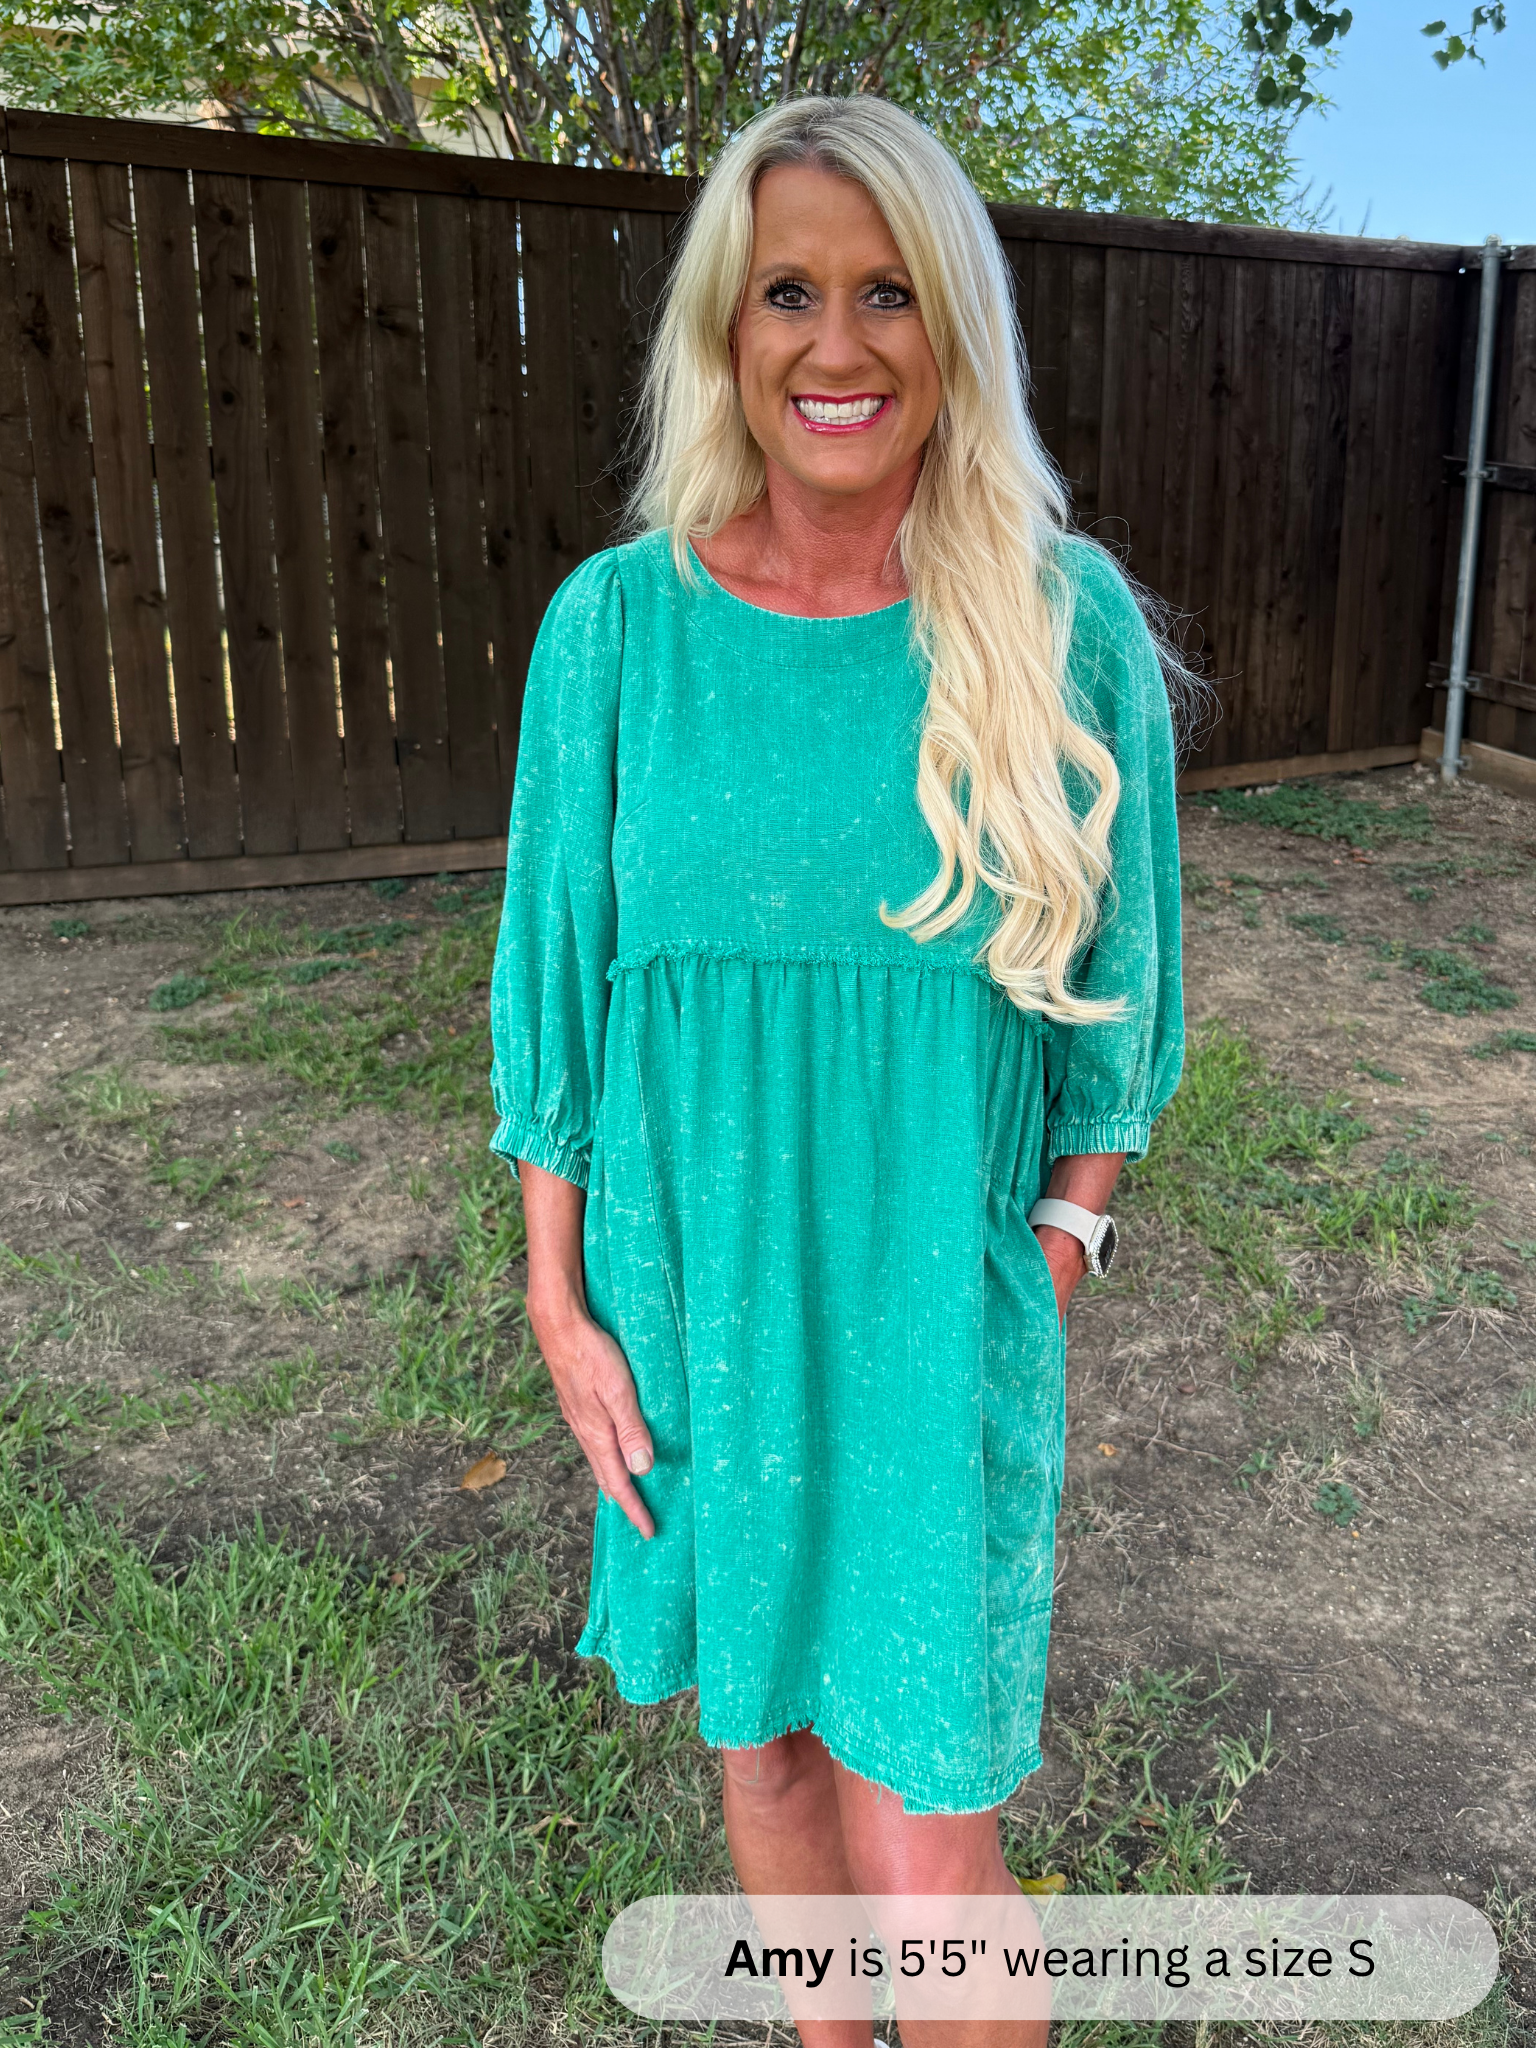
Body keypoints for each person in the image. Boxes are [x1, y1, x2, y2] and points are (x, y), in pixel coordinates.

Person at [488, 93, 1185, 2048]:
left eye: (888, 292)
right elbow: (555, 986)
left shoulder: (1059, 624)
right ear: (728, 325)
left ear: (950, 326)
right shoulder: (614, 633)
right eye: (788, 289)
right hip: (684, 1311)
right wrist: (562, 1301)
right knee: (768, 1758)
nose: (837, 342)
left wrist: (1049, 1249)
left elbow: (1120, 1005)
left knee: (925, 1837)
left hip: (924, 1324)